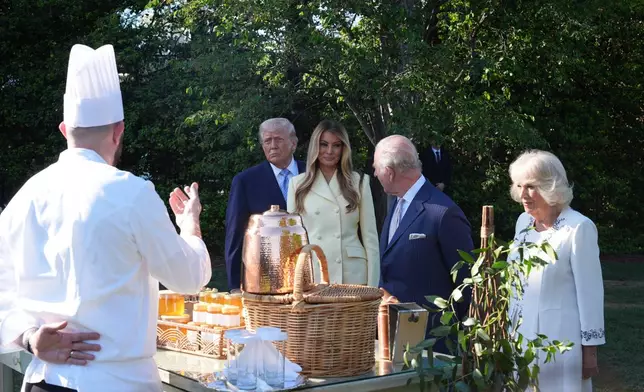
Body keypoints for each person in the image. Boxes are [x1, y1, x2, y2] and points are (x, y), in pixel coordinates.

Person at [0, 44, 212, 392]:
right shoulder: (131, 193)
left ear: (64, 129)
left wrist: (28, 336)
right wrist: (189, 224)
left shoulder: (27, 195)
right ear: (119, 131)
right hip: (118, 383)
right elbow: (188, 278)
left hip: (44, 380)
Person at [507, 150, 605, 391]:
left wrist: (589, 352)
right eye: (519, 186)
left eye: (531, 187)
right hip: (520, 338)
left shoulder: (578, 228)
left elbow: (590, 294)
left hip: (559, 342)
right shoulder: (523, 223)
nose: (523, 195)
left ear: (550, 186)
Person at [373, 135, 473, 353]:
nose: (375, 174)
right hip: (394, 336)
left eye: (376, 168)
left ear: (389, 172)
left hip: (433, 346)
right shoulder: (397, 204)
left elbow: (467, 284)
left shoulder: (443, 212)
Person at [287, 120, 379, 286]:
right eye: (324, 144)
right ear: (315, 146)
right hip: (314, 272)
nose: (330, 151)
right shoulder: (297, 185)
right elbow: (293, 243)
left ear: (344, 148)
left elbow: (370, 238)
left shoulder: (359, 182)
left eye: (336, 145)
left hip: (353, 274)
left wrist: (373, 286)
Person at [225, 118, 306, 290]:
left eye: (278, 139)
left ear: (293, 143)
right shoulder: (246, 181)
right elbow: (235, 235)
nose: (273, 145)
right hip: (266, 280)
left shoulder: (313, 174)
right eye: (267, 141)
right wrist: (235, 286)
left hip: (312, 274)